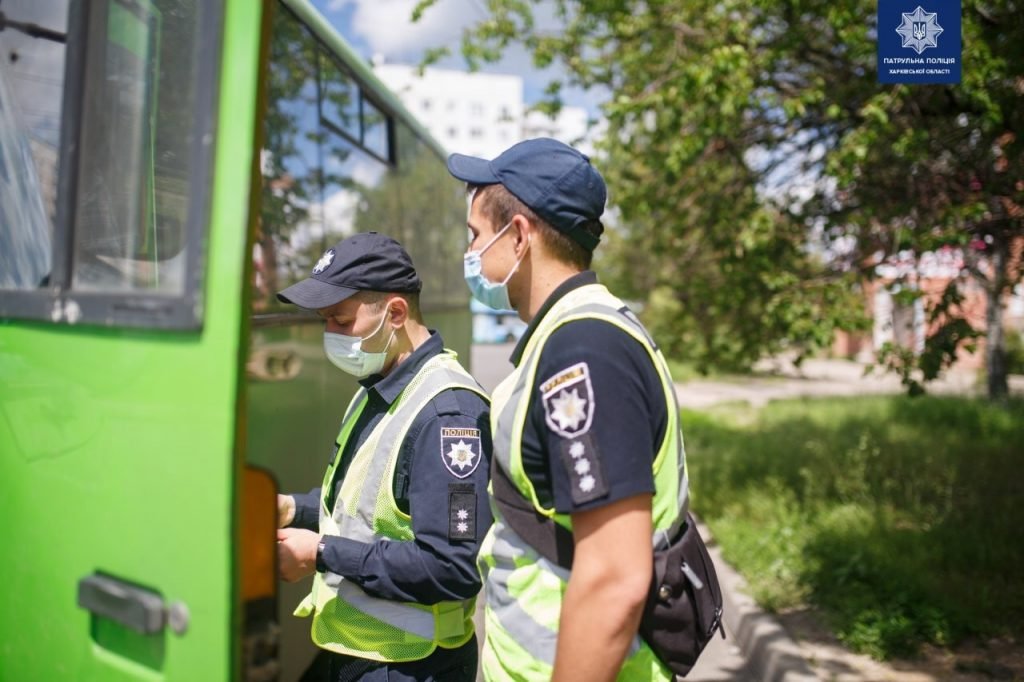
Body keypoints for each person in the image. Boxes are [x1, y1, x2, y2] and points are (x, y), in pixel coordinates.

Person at [447, 139, 689, 682]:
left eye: (476, 236)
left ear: (518, 236)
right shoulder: (567, 333)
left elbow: (612, 578)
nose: (471, 253)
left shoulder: (583, 350)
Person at [274, 232, 492, 682]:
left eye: (340, 319)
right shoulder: (380, 386)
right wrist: (294, 508)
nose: (329, 335)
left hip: (412, 666)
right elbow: (367, 508)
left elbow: (452, 566)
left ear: (394, 312)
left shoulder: (447, 414)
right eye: (324, 322)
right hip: (367, 656)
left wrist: (320, 553)